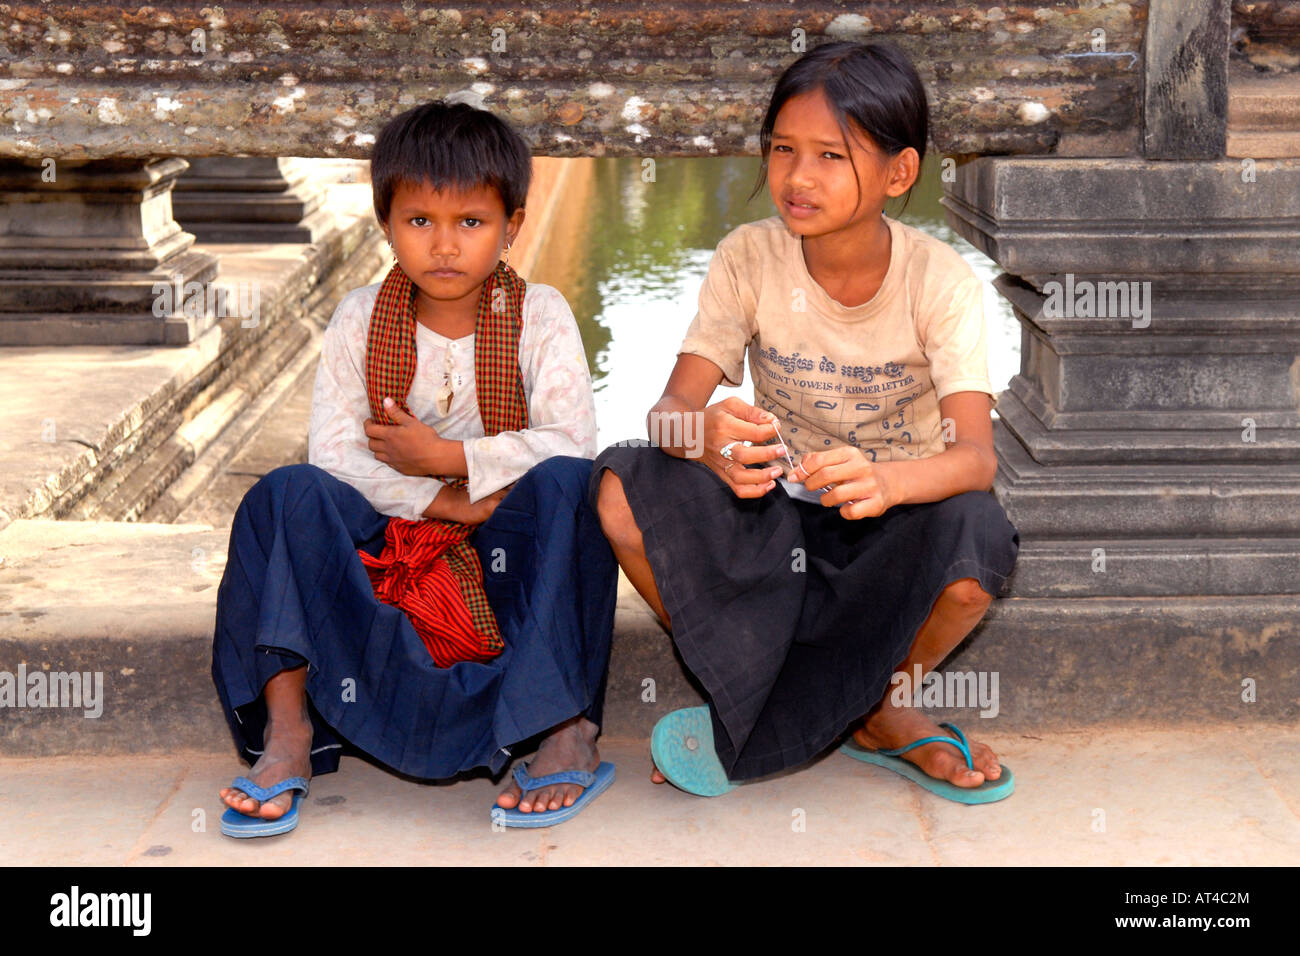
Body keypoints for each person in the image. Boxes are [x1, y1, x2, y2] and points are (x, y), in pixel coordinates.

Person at [590, 41, 1021, 803]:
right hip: (774, 517)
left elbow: (976, 459)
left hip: (888, 527)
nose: (796, 176)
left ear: (899, 173)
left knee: (977, 543)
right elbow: (667, 416)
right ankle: (744, 679)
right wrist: (708, 440)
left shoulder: (939, 282)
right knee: (623, 484)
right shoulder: (749, 257)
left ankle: (885, 707)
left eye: (831, 155)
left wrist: (888, 482)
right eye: (784, 148)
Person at [212, 100, 618, 836]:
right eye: (419, 221)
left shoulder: (542, 315)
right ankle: (289, 732)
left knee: (573, 485)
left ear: (513, 226)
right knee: (285, 494)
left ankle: (565, 724)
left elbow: (571, 441)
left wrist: (451, 456)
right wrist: (445, 499)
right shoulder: (359, 319)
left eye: (471, 222)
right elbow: (335, 457)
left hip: (506, 564)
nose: (444, 246)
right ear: (386, 224)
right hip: (395, 551)